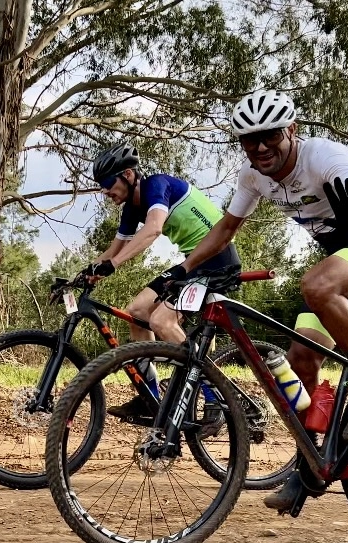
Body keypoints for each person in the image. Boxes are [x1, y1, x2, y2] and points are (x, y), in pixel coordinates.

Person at [172, 89, 348, 511]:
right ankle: (310, 466)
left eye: (270, 135)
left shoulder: (322, 156)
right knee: (301, 359)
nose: (260, 146)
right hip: (342, 261)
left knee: (315, 285)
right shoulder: (254, 177)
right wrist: (180, 270)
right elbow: (226, 229)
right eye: (249, 139)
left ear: (291, 130)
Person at [82, 143, 241, 423]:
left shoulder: (157, 185)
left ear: (129, 175)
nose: (105, 191)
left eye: (108, 183)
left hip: (217, 259)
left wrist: (113, 266)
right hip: (193, 263)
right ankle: (150, 398)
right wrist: (85, 273)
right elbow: (114, 250)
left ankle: (215, 399)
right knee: (137, 312)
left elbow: (154, 229)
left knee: (162, 322)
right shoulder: (132, 207)